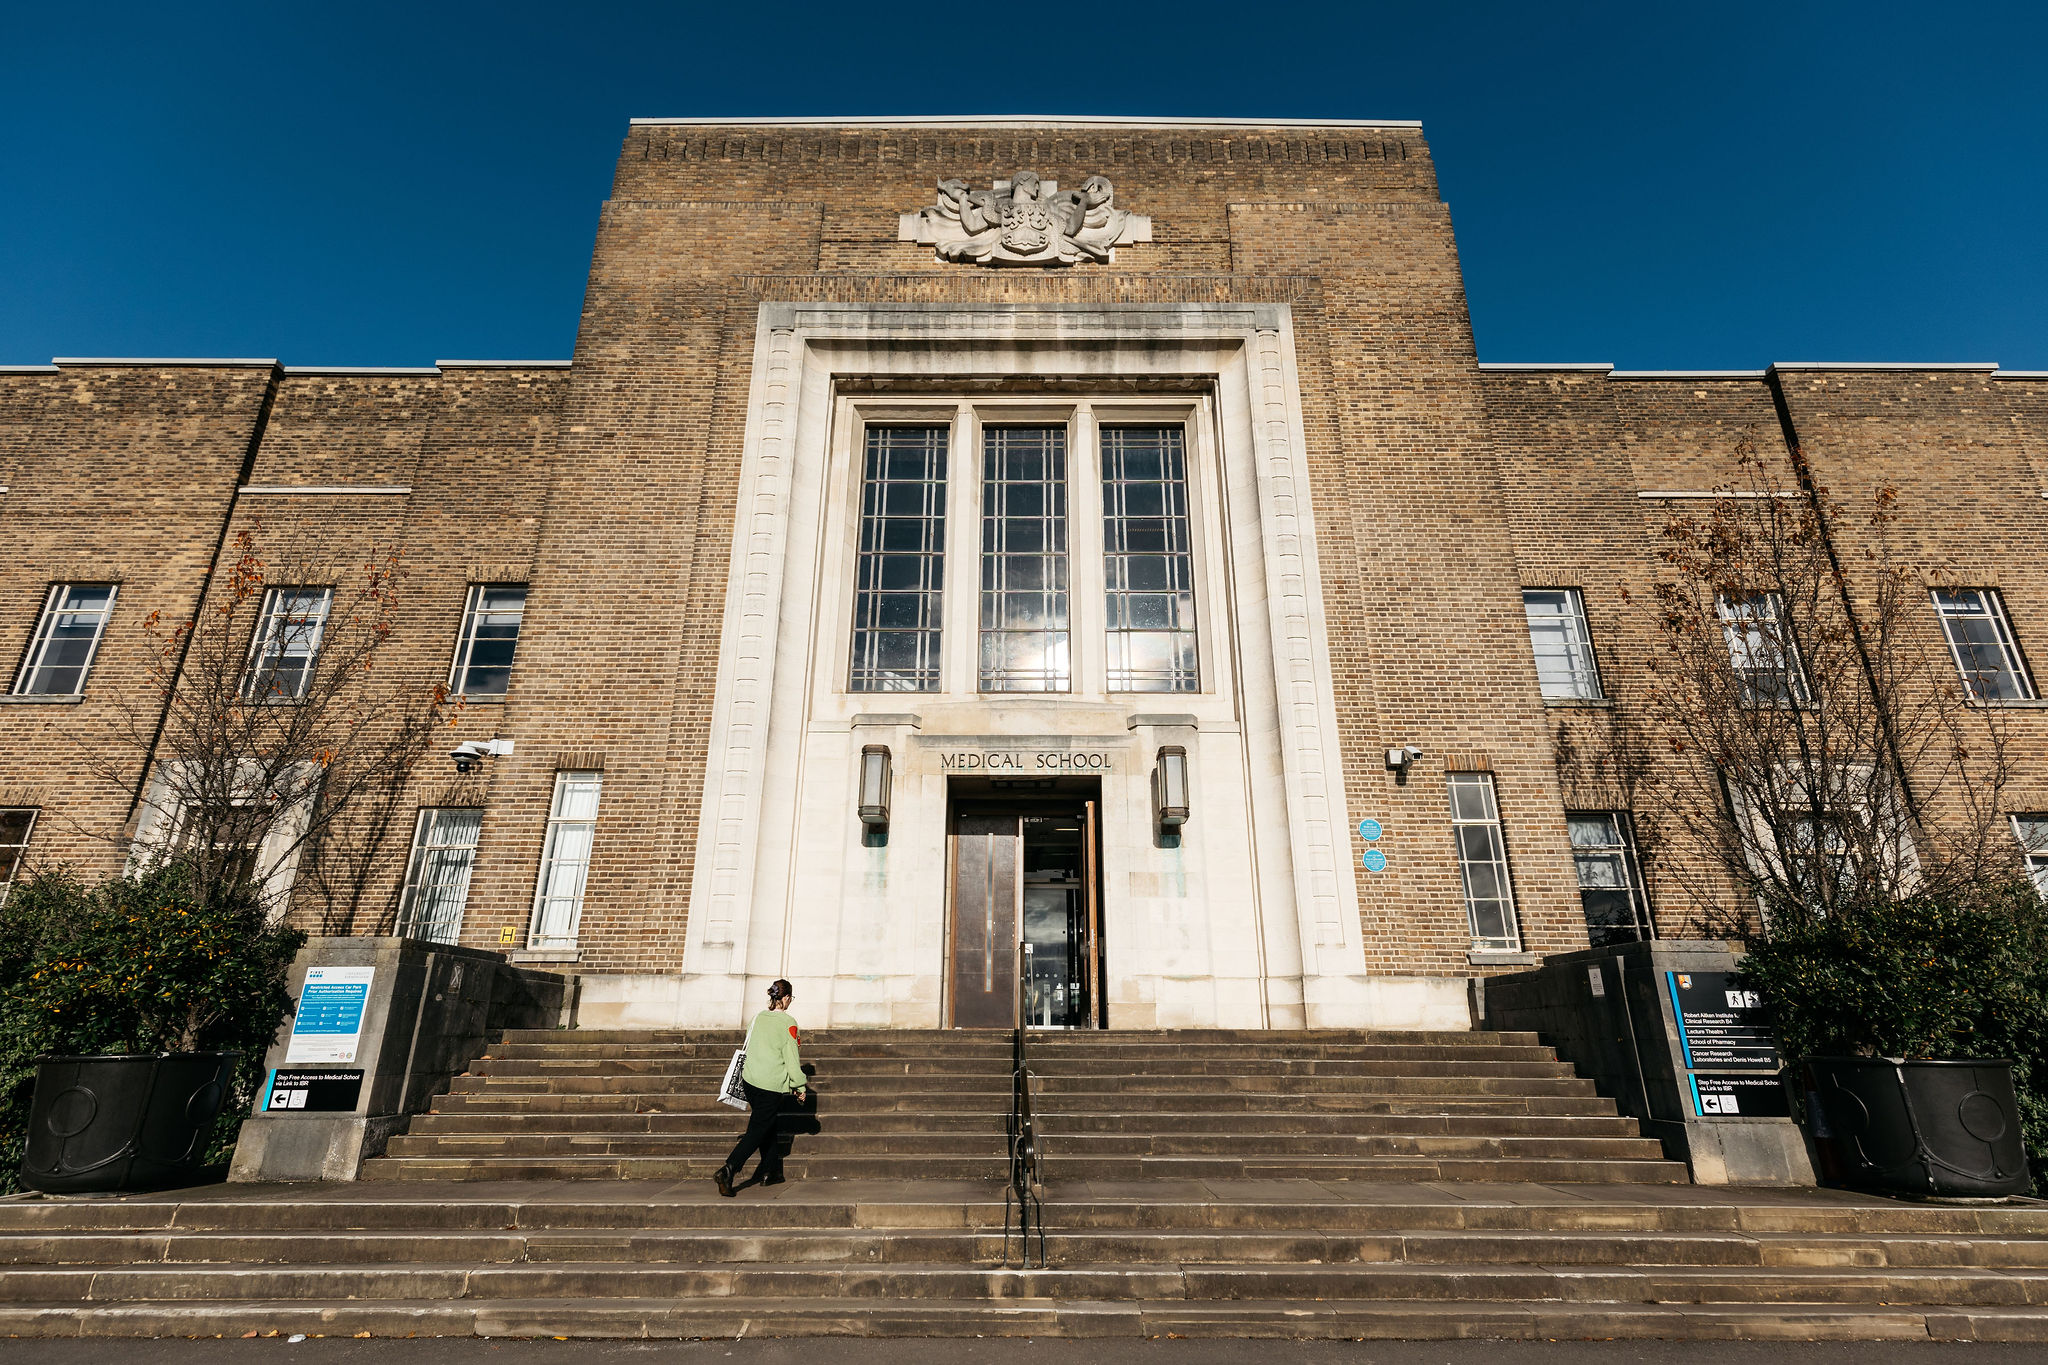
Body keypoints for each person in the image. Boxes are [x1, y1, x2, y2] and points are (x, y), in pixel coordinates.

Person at [714, 979, 813, 1196]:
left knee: (766, 1124)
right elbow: (791, 1058)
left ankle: (771, 1171)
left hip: (751, 1081)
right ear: (786, 998)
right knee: (758, 1130)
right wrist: (800, 1086)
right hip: (770, 1085)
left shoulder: (757, 1018)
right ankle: (729, 1169)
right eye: (790, 999)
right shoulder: (789, 1023)